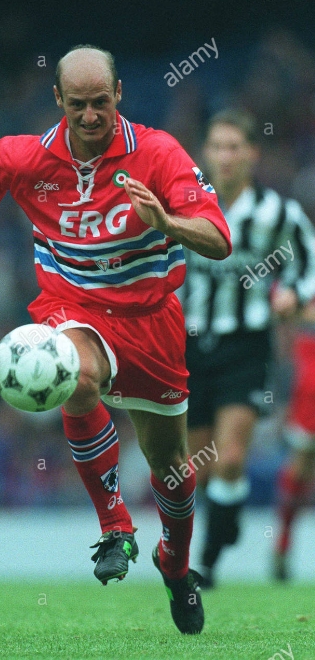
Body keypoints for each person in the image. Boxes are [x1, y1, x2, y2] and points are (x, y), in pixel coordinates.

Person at [0, 44, 231, 635]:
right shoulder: (29, 156)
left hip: (150, 321)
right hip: (72, 307)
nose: (90, 115)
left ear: (119, 94)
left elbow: (218, 237)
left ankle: (175, 566)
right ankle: (115, 526)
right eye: (77, 104)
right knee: (74, 378)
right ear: (58, 99)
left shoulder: (158, 153)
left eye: (100, 101)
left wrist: (167, 223)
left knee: (172, 469)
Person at [179, 108, 315, 588]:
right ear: (205, 152)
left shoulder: (277, 214)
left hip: (247, 345)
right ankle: (226, 521)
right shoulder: (185, 205)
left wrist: (292, 293)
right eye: (217, 146)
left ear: (253, 153)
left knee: (231, 457)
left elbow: (308, 265)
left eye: (235, 147)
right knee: (196, 468)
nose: (225, 156)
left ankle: (207, 563)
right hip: (188, 345)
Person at [274, 298, 315, 580]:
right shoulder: (303, 278)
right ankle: (283, 544)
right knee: (300, 467)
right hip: (310, 376)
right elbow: (286, 308)